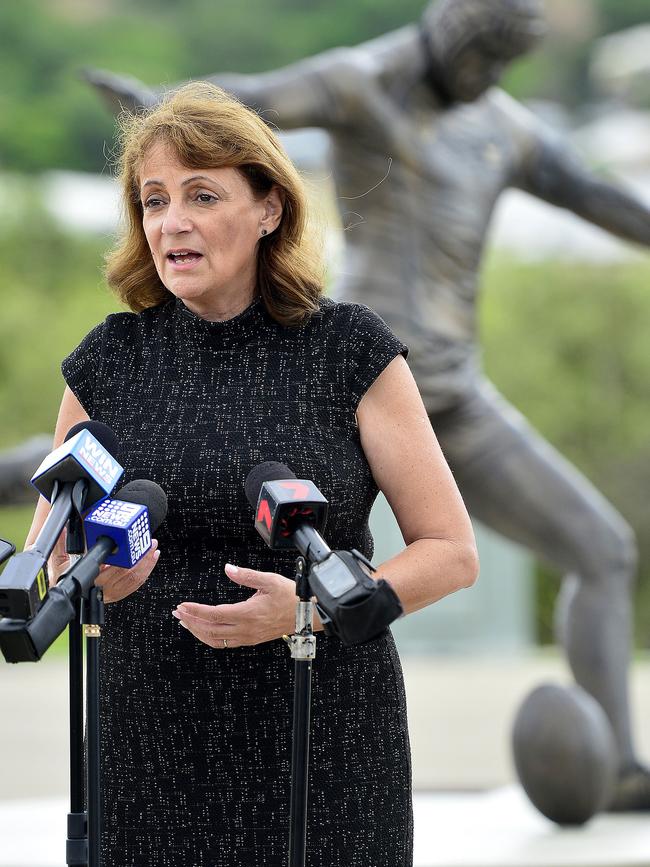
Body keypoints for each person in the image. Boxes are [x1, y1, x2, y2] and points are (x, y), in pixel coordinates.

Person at [87, 0, 650, 809]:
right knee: (181, 460)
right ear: (451, 33)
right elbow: (247, 110)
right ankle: (38, 466)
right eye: (484, 55)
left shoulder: (506, 127)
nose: (490, 78)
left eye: (507, 63)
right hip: (350, 397)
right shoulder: (363, 85)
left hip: (451, 389)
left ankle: (621, 766)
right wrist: (152, 99)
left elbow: (595, 194)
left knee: (603, 548)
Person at [25, 82, 478, 865]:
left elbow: (449, 549)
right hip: (146, 751)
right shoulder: (107, 363)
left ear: (270, 207)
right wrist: (89, 577)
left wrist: (311, 610)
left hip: (322, 736)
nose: (172, 222)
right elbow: (49, 561)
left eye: (202, 195)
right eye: (154, 199)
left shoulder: (347, 350)